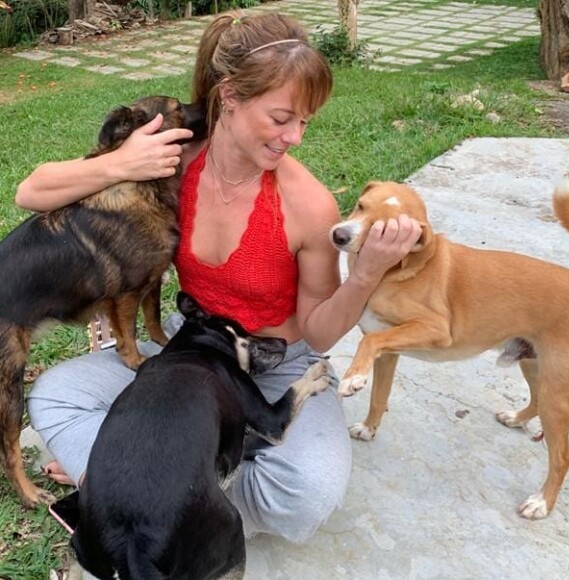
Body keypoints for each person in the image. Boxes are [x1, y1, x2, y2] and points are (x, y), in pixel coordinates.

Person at [17, 10, 422, 543]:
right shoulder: (172, 157)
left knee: (305, 493)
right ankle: (159, 484)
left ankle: (138, 490)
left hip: (275, 367)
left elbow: (319, 333)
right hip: (190, 350)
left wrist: (364, 274)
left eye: (305, 121)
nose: (295, 137)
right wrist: (118, 164)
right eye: (281, 118)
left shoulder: (308, 204)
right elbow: (33, 191)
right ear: (229, 96)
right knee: (54, 395)